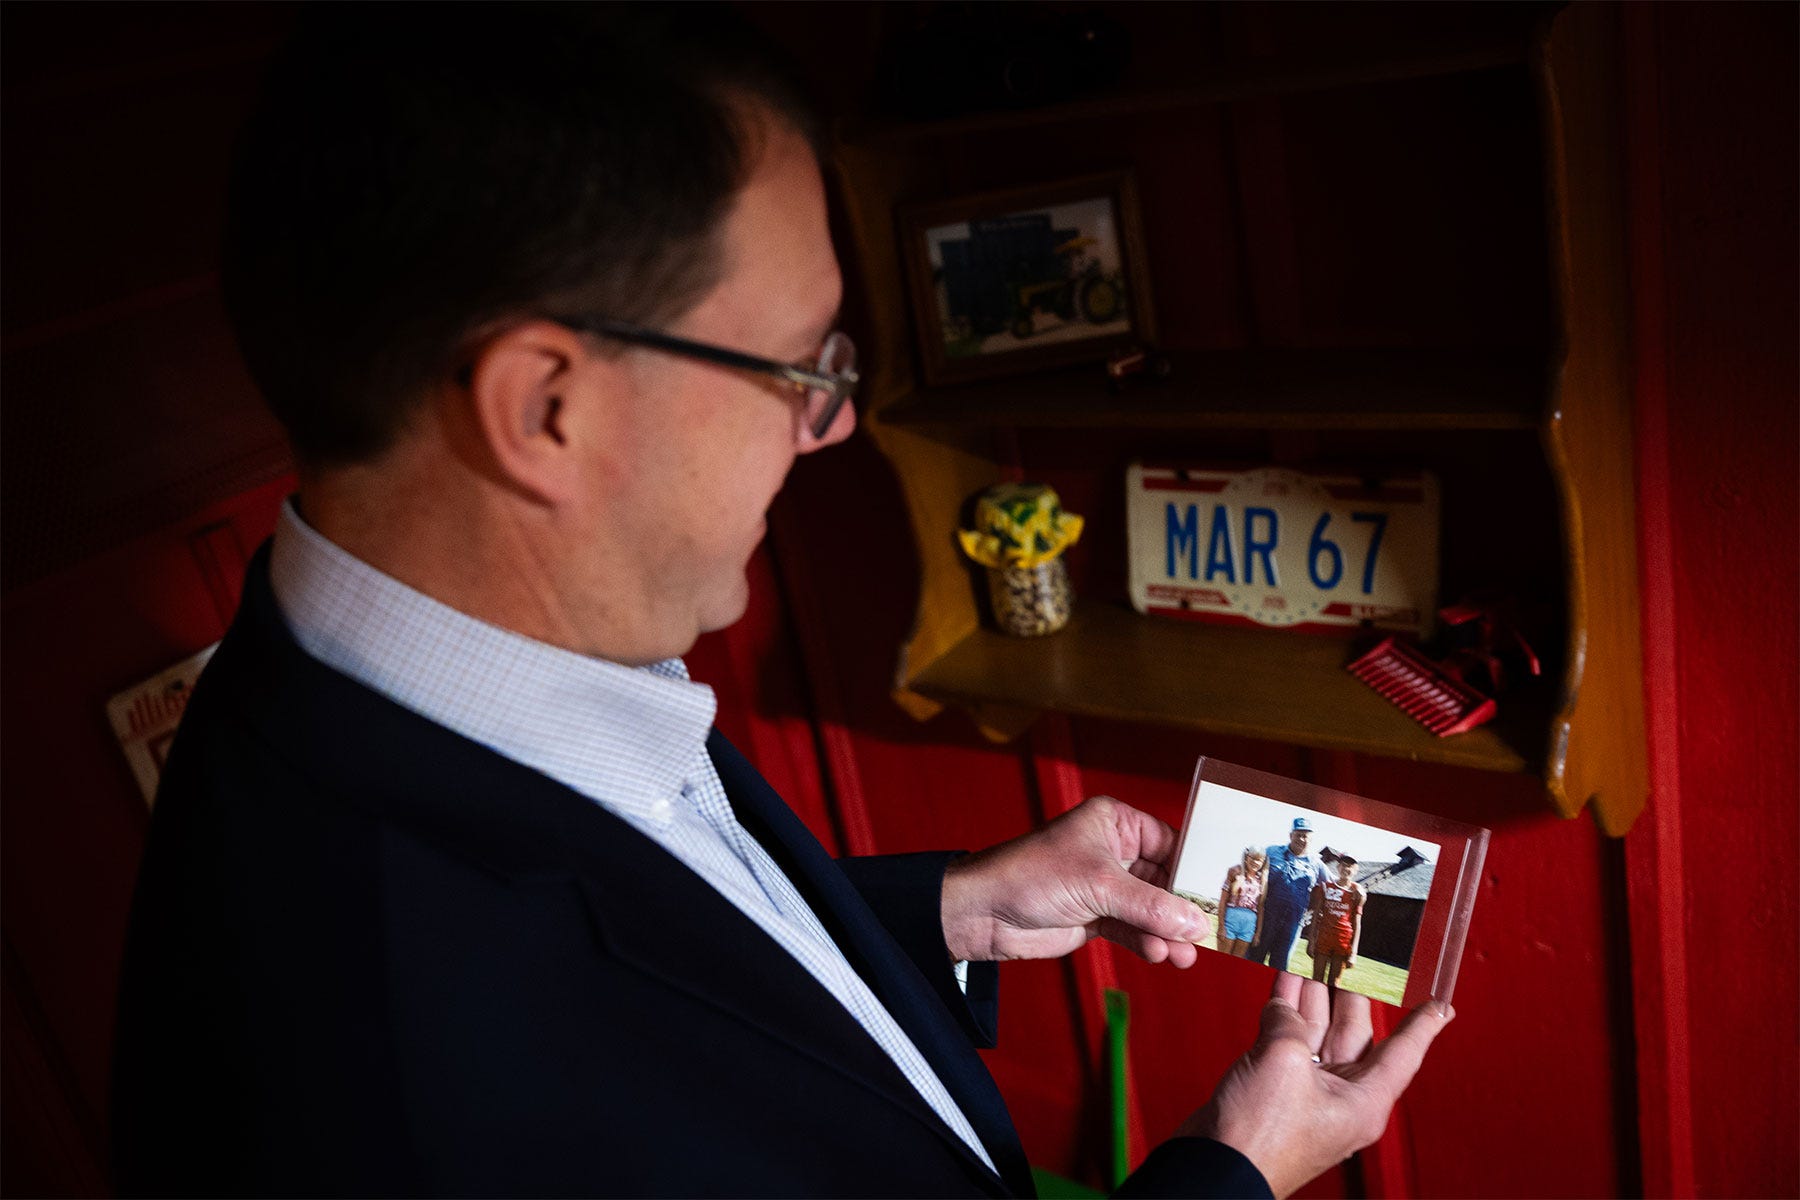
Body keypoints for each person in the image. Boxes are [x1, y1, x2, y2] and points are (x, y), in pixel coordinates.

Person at [108, 8, 1452, 1198]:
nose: (836, 421)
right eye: (799, 364)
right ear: (545, 410)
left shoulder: (387, 673)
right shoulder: (396, 1108)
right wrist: (1236, 1170)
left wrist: (948, 912)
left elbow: (670, 971)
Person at [1247, 818, 1330, 972]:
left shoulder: (1317, 864)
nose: (1301, 839)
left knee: (1279, 967)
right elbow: (1250, 870)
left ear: (1311, 839)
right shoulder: (1271, 852)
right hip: (1265, 917)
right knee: (1253, 959)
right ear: (1291, 835)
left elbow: (1334, 886)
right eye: (1298, 834)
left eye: (1305, 836)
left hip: (1293, 922)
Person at [1309, 855, 1367, 987]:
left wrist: (1354, 952)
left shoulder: (1357, 893)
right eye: (1343, 865)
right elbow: (1316, 914)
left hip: (1343, 941)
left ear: (1356, 870)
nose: (1346, 868)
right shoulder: (1326, 887)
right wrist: (1311, 941)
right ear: (1337, 867)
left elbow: (1357, 923)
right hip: (1323, 938)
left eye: (1350, 866)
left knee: (1334, 982)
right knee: (1316, 979)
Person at [1217, 846, 1268, 957]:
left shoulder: (1262, 881)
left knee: (1237, 961)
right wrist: (1221, 926)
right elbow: (1222, 902)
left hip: (1248, 926)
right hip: (1230, 922)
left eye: (1259, 860)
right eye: (1253, 858)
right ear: (1246, 857)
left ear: (1263, 862)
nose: (1255, 862)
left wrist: (1258, 933)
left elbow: (1260, 908)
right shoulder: (1236, 873)